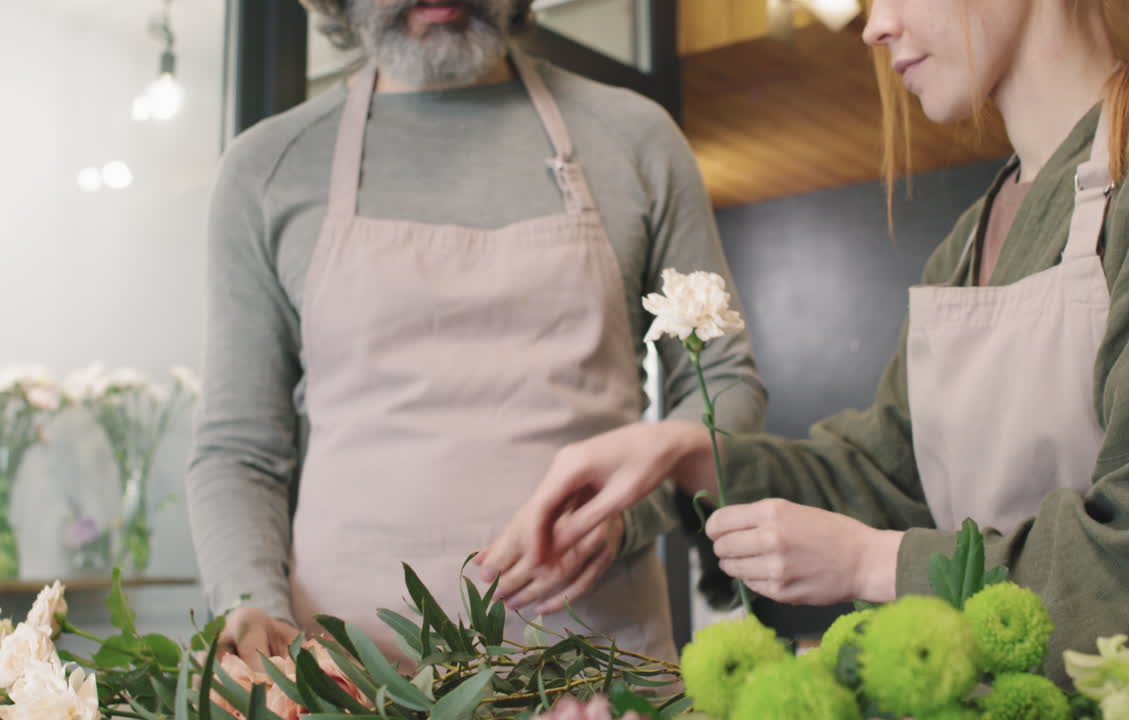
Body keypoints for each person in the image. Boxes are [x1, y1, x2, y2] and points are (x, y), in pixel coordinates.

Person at [480, 0, 1129, 694]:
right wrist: (684, 456)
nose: (874, 26)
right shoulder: (970, 240)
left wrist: (873, 564)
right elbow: (885, 477)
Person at [186, 0, 765, 668]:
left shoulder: (635, 137)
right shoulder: (266, 167)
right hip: (347, 677)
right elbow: (240, 450)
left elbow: (725, 388)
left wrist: (630, 513)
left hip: (600, 667)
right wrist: (250, 603)